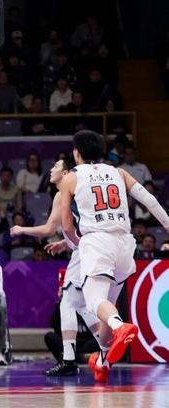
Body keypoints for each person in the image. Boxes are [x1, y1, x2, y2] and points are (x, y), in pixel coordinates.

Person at [60, 130, 169, 382]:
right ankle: (103, 361)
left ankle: (121, 327)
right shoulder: (119, 172)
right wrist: (167, 224)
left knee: (95, 302)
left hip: (97, 242)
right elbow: (150, 200)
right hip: (124, 245)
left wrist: (80, 243)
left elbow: (66, 225)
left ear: (76, 152)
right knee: (106, 310)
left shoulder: (71, 177)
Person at [10, 158, 101, 376]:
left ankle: (69, 359)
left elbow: (49, 229)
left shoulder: (63, 193)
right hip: (98, 247)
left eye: (57, 167)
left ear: (67, 173)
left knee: (68, 301)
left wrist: (22, 229)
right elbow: (82, 226)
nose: (51, 169)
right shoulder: (80, 190)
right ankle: (107, 345)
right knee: (81, 305)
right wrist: (65, 243)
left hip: (85, 251)